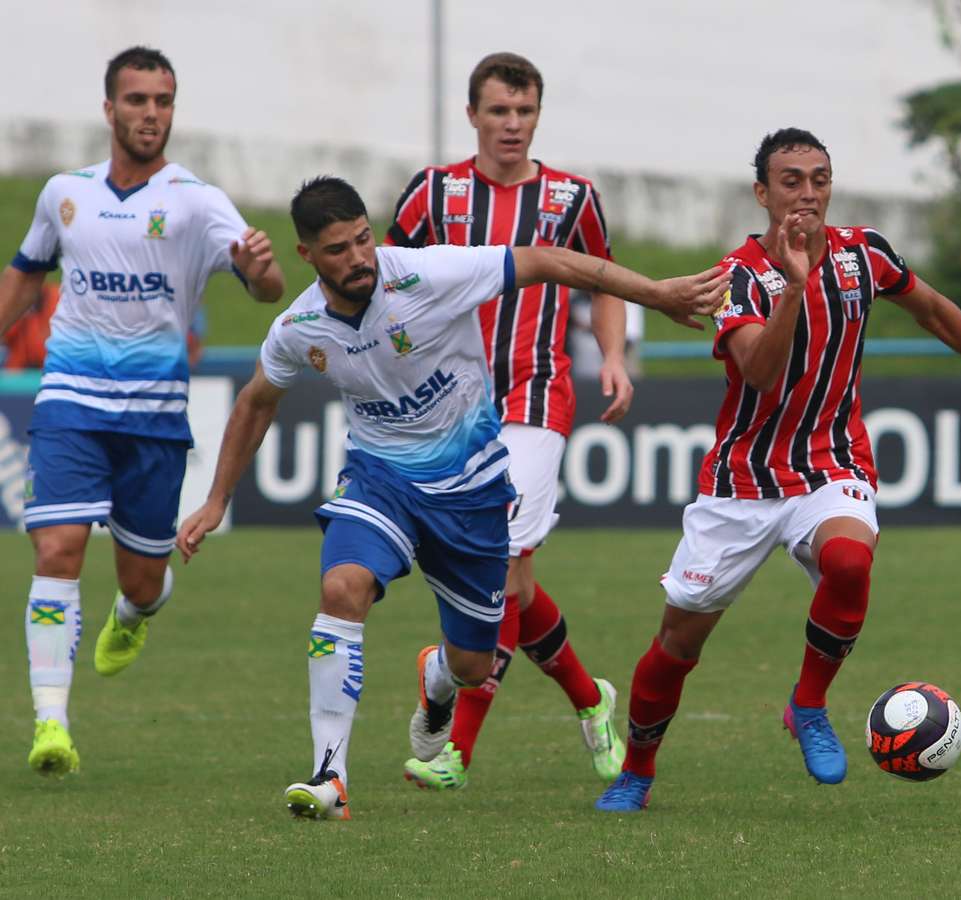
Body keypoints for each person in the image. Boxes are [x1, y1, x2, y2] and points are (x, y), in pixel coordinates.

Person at [175, 176, 727, 820]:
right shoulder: (298, 327)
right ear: (307, 256)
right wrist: (216, 500)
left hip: (471, 493)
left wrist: (654, 294)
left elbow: (548, 259)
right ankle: (331, 776)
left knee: (472, 665)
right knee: (341, 590)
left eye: (362, 240)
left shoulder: (428, 274)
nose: (357, 258)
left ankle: (438, 674)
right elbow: (255, 401)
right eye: (337, 250)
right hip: (381, 483)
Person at [594, 128, 961, 812]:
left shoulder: (864, 253)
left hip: (832, 463)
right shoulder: (736, 276)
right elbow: (761, 377)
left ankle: (809, 704)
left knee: (850, 563)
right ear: (762, 193)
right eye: (790, 180)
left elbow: (936, 312)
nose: (807, 193)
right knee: (678, 642)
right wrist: (794, 288)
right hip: (742, 483)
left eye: (819, 178)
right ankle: (637, 772)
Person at [386, 52, 682, 791]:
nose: (512, 125)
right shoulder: (433, 194)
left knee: (502, 565)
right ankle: (589, 699)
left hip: (536, 398)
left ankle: (458, 748)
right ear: (473, 116)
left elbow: (604, 279)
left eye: (524, 112)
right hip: (449, 409)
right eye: (499, 112)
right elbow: (388, 280)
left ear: (537, 116)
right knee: (513, 588)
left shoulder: (571, 197)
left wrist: (612, 355)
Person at [0, 46, 285, 778]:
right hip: (69, 402)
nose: (150, 113)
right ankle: (52, 725)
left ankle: (133, 617)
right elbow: (27, 276)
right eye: (137, 100)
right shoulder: (64, 193)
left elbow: (268, 284)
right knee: (56, 549)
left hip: (154, 417)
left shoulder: (196, 200)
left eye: (162, 101)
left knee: (141, 581)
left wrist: (258, 270)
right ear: (109, 110)